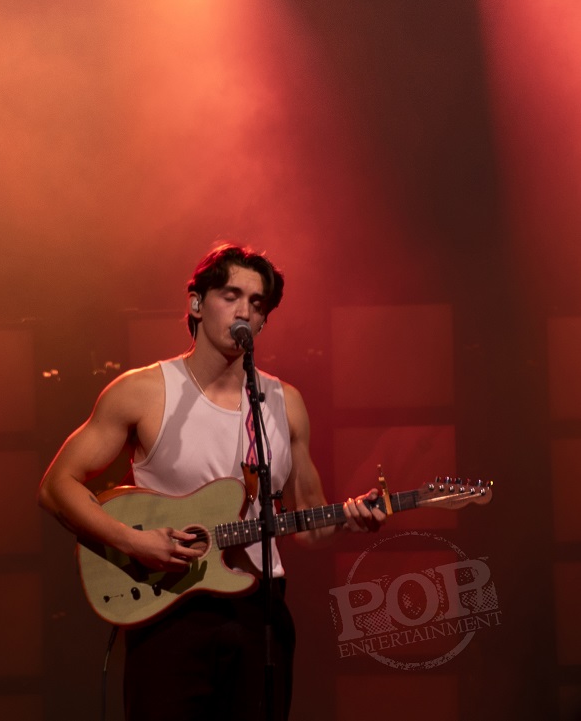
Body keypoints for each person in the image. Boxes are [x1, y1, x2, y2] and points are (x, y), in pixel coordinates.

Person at [38, 243, 386, 721]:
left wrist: (350, 518)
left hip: (259, 614)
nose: (244, 311)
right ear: (197, 304)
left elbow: (309, 523)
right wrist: (134, 542)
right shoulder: (143, 391)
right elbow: (57, 486)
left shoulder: (285, 404)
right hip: (168, 609)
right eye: (231, 295)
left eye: (257, 303)